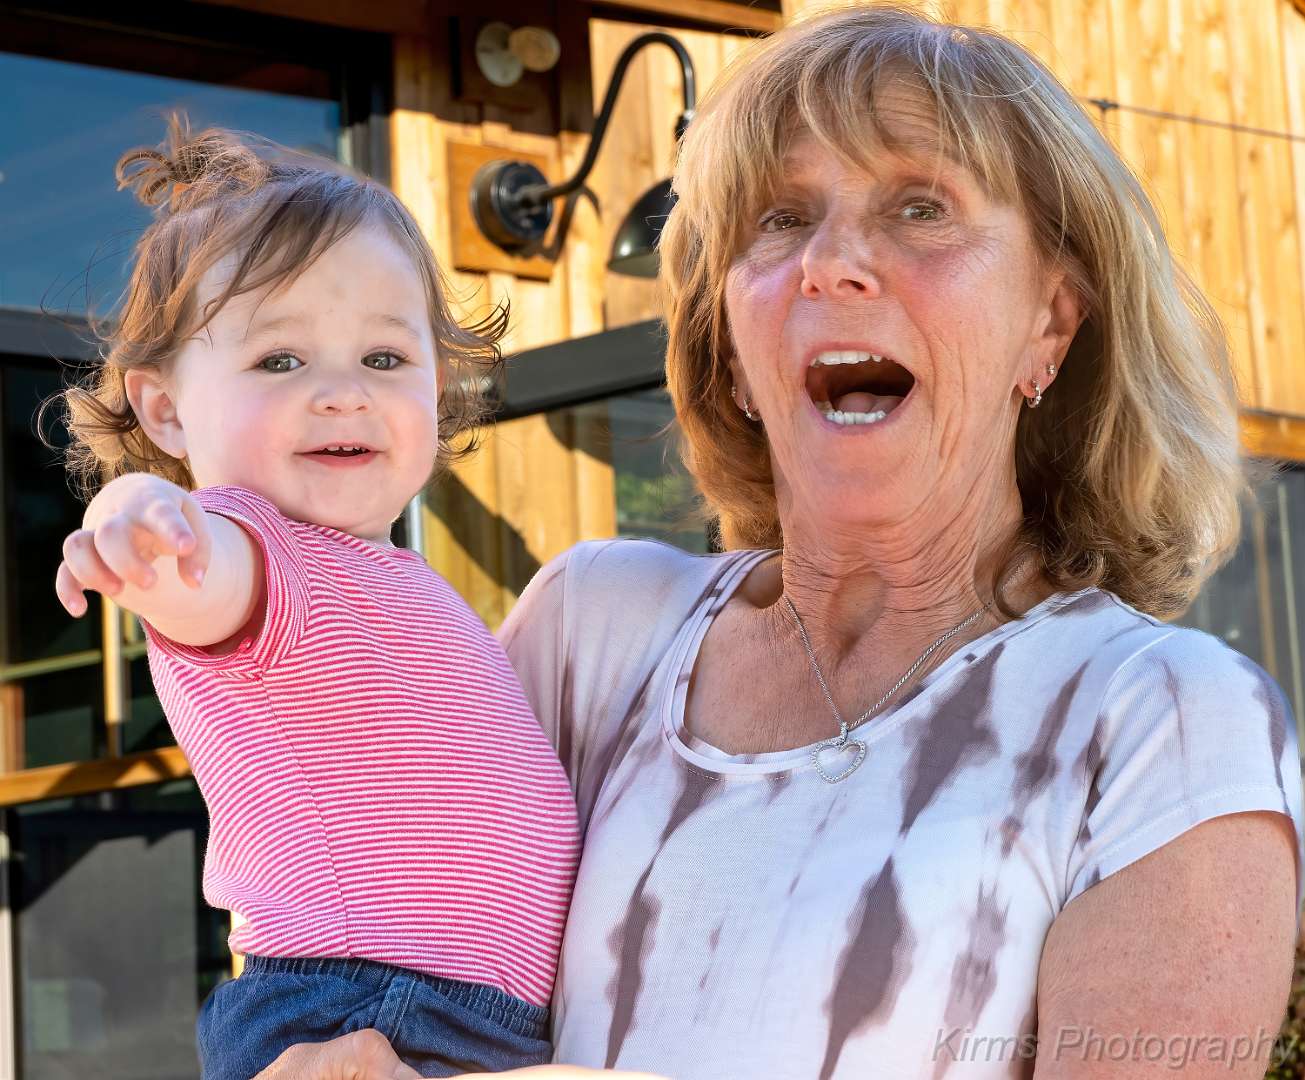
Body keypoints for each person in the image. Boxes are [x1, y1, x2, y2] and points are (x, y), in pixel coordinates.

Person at [267, 5, 1304, 1078]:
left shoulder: (1160, 718)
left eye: (920, 207)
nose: (831, 263)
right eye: (781, 218)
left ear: (1050, 320)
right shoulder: (594, 631)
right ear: (731, 348)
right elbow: (356, 942)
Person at [49, 115, 591, 1080]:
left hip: (455, 1012)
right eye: (280, 360)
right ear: (165, 409)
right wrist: (139, 521)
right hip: (359, 1008)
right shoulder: (264, 550)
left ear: (438, 385)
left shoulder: (398, 579)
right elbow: (205, 571)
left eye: (384, 359)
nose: (343, 392)